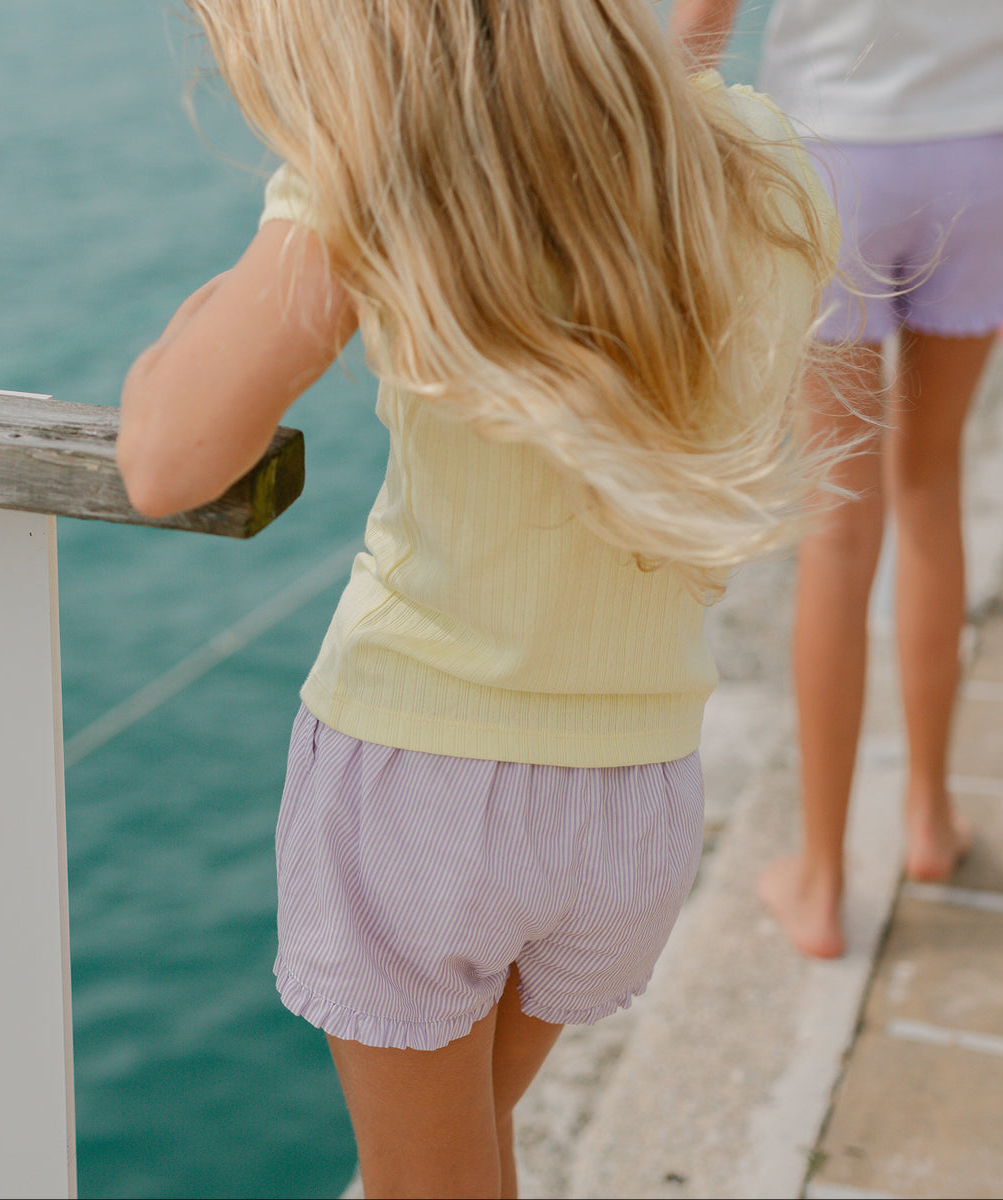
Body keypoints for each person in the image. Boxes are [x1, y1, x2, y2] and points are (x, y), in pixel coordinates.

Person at [116, 2, 838, 1195]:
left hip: (423, 785)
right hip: (635, 793)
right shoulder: (761, 155)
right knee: (469, 1154)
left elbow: (166, 457)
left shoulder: (391, 166)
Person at [670, 0, 1003, 959]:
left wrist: (613, 145)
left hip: (840, 157)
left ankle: (821, 883)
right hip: (981, 152)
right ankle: (931, 819)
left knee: (837, 522)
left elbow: (701, 21)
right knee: (931, 482)